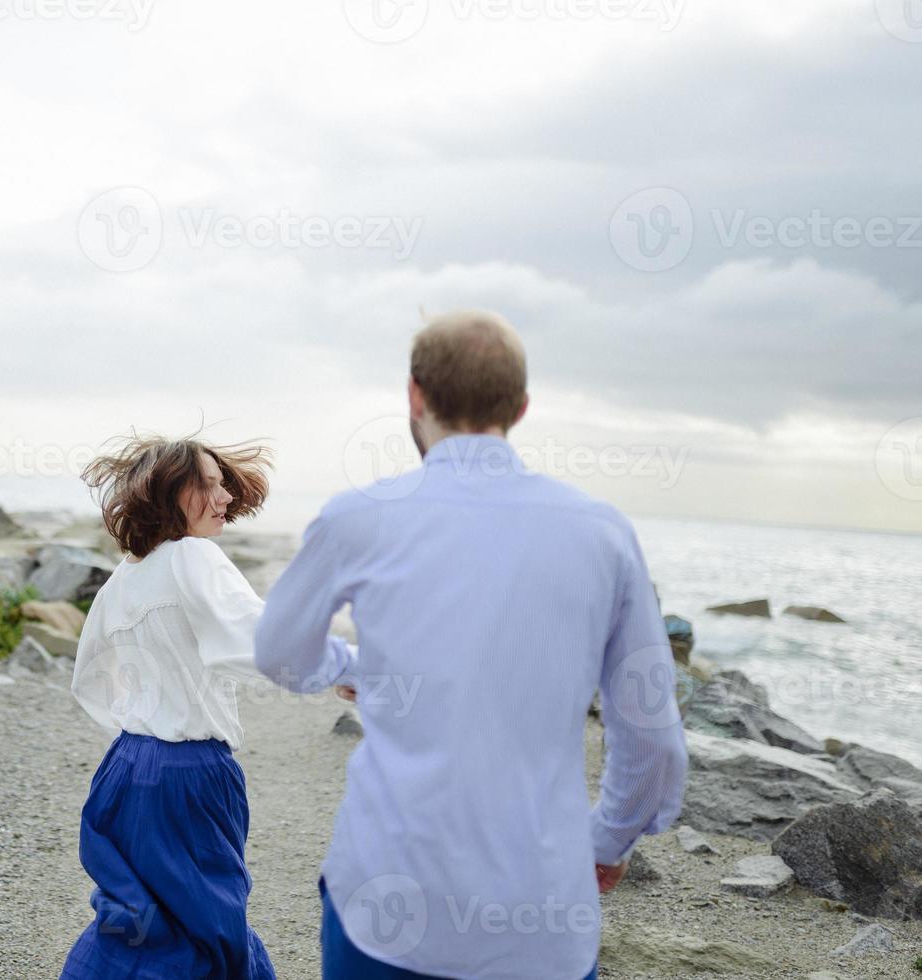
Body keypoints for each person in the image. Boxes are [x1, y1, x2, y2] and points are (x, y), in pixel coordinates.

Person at [255, 311, 689, 980]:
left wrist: (350, 668)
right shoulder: (601, 532)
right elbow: (651, 733)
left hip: (387, 898)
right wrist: (605, 840)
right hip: (542, 914)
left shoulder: (359, 516)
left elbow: (280, 651)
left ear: (414, 395)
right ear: (520, 407)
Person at [62, 433, 326, 980]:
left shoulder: (126, 575)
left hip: (124, 769)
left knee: (137, 919)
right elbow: (264, 641)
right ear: (164, 494)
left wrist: (146, 719)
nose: (225, 496)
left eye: (222, 484)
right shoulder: (195, 555)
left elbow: (88, 678)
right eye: (206, 485)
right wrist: (342, 669)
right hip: (189, 774)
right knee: (210, 924)